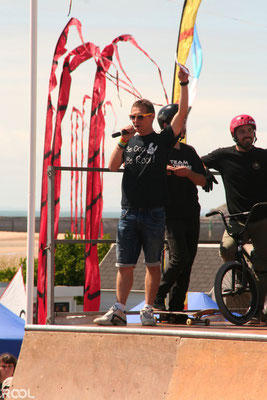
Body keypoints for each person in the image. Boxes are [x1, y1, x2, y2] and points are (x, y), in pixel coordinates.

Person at [94, 65, 189, 326]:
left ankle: (148, 309)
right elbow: (113, 166)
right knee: (124, 265)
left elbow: (181, 114)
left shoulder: (162, 140)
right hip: (128, 211)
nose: (135, 121)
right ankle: (119, 311)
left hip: (154, 211)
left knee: (152, 264)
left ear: (150, 118)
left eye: (140, 117)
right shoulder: (129, 142)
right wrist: (123, 140)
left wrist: (183, 84)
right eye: (132, 117)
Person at [201, 114, 267, 322]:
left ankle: (258, 310)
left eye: (250, 131)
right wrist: (206, 172)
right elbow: (198, 162)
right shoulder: (223, 156)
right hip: (237, 219)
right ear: (234, 135)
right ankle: (242, 272)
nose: (247, 135)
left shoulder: (263, 156)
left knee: (263, 266)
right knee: (227, 249)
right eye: (242, 132)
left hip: (262, 219)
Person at [153, 104, 206, 313]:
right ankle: (158, 295)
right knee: (179, 257)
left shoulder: (189, 151)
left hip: (191, 212)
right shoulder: (158, 148)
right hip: (170, 212)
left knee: (188, 263)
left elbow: (203, 180)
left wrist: (188, 174)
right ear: (167, 124)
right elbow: (145, 167)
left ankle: (176, 310)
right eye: (180, 120)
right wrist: (167, 169)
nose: (184, 125)